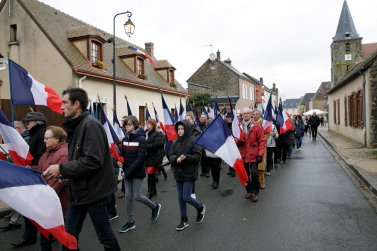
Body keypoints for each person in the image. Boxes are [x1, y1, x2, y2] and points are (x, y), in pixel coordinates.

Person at [42, 88, 121, 250]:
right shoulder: (77, 126)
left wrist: (61, 168)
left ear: (76, 104)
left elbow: (93, 160)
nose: (62, 107)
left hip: (94, 193)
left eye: (64, 102)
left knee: (105, 236)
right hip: (78, 191)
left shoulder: (90, 125)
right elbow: (78, 159)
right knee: (68, 237)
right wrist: (67, 175)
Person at [118, 115, 161, 233]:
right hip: (127, 172)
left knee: (136, 196)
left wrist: (127, 172)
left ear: (135, 124)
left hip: (136, 172)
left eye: (129, 124)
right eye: (125, 124)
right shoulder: (125, 138)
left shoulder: (141, 139)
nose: (127, 126)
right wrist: (120, 160)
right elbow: (122, 153)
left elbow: (140, 158)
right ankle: (130, 222)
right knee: (128, 197)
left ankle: (155, 207)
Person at [11, 113, 47, 248]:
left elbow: (40, 157)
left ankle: (38, 236)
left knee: (35, 208)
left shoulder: (42, 135)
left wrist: (30, 167)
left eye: (28, 123)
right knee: (29, 208)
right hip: (30, 173)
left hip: (35, 175)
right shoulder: (33, 134)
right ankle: (30, 235)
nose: (26, 125)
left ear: (36, 122)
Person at [30, 126, 69, 251]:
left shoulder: (64, 154)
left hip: (58, 201)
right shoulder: (48, 151)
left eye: (47, 138)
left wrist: (40, 197)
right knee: (47, 230)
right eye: (44, 138)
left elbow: (57, 181)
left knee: (65, 233)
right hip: (48, 198)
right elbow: (42, 169)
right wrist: (29, 168)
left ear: (57, 139)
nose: (44, 141)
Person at [169, 120, 205, 231]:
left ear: (187, 129)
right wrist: (175, 159)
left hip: (189, 173)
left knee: (186, 197)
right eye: (178, 129)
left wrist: (187, 158)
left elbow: (198, 157)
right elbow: (171, 156)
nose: (180, 131)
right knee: (180, 198)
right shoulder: (175, 142)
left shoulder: (194, 141)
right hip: (178, 173)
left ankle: (200, 207)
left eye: (182, 129)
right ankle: (184, 219)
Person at [0, 121, 29, 231]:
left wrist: (8, 162)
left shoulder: (24, 139)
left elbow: (19, 156)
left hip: (20, 173)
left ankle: (15, 220)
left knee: (17, 196)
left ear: (18, 128)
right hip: (17, 171)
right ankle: (14, 216)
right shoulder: (21, 138)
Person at [237, 108, 265, 202]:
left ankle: (254, 192)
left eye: (247, 113)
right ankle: (248, 190)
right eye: (243, 113)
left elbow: (261, 140)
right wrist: (238, 141)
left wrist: (260, 154)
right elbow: (235, 139)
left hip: (254, 153)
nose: (245, 115)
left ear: (251, 114)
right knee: (245, 174)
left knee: (254, 172)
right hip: (243, 154)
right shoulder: (238, 126)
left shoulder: (257, 126)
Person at [145, 119, 165, 199]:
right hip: (147, 157)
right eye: (147, 123)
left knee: (150, 173)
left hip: (154, 156)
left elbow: (159, 144)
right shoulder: (145, 133)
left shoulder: (157, 133)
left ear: (153, 125)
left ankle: (149, 191)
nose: (147, 125)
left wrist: (146, 147)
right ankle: (154, 189)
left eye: (149, 124)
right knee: (151, 174)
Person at [185, 112, 201, 199]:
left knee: (191, 174)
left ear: (192, 120)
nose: (187, 121)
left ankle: (192, 192)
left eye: (188, 120)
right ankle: (186, 191)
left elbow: (198, 143)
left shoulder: (196, 130)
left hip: (193, 155)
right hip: (184, 154)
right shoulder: (183, 129)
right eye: (185, 120)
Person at [252, 109, 269, 189]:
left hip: (261, 147)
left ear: (259, 114)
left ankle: (262, 181)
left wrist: (259, 141)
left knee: (261, 165)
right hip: (251, 148)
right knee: (252, 165)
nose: (255, 116)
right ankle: (254, 181)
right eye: (254, 114)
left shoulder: (263, 123)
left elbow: (267, 135)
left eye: (256, 114)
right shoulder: (250, 123)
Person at [204, 119, 222, 188]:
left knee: (215, 166)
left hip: (217, 153)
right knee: (211, 167)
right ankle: (214, 180)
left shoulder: (219, 131)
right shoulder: (206, 131)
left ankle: (216, 181)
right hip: (208, 152)